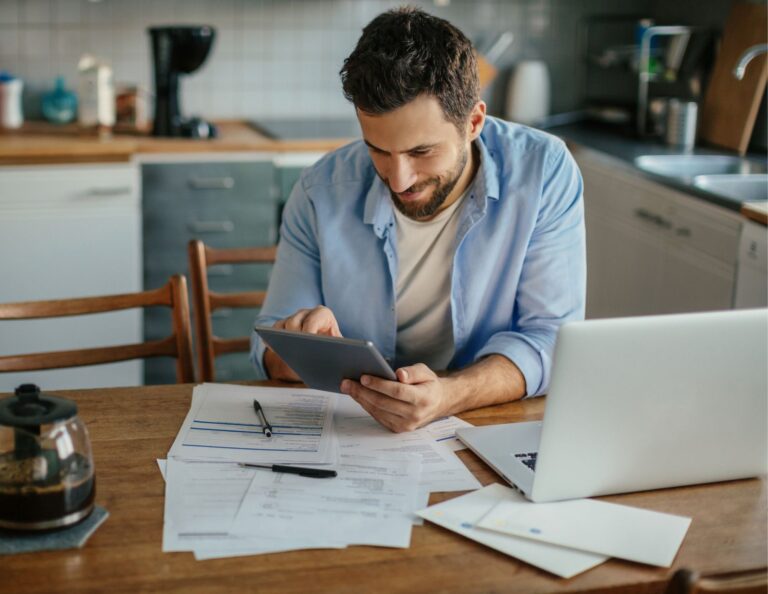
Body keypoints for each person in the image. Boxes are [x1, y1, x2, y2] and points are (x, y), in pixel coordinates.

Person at [250, 7, 585, 433]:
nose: (398, 179)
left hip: (485, 423)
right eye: (378, 150)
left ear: (474, 122)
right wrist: (302, 344)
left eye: (421, 152)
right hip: (355, 432)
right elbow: (267, 351)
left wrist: (449, 395)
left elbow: (554, 342)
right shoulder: (320, 191)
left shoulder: (544, 172)